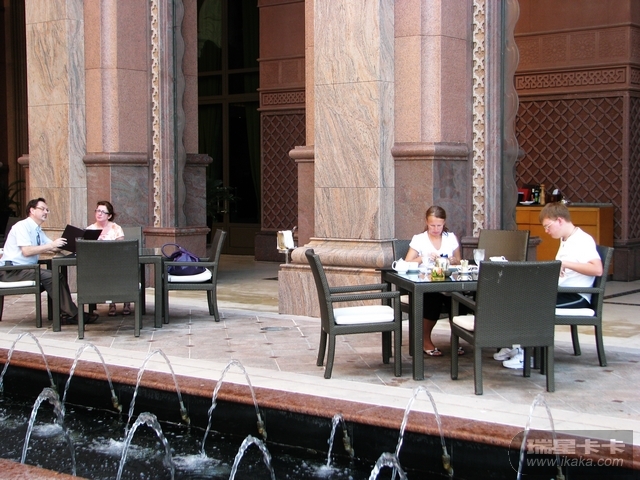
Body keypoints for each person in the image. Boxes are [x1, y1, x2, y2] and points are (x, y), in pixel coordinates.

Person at [499, 202, 604, 369]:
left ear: (560, 220)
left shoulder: (582, 240)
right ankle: (516, 345)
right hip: (560, 290)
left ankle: (525, 354)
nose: (547, 231)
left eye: (548, 226)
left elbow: (597, 269)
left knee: (530, 305)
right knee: (517, 297)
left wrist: (565, 264)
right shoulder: (566, 238)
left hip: (576, 296)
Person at [0, 197, 97, 325]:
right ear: (32, 210)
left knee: (57, 276)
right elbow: (27, 251)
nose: (46, 212)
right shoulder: (21, 226)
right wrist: (51, 245)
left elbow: (52, 246)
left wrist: (70, 242)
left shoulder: (37, 229)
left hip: (25, 270)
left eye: (47, 210)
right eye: (42, 209)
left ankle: (67, 314)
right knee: (52, 277)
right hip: (11, 271)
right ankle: (74, 314)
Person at [404, 205, 462, 357]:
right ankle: (425, 340)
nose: (436, 229)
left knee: (458, 298)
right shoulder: (419, 239)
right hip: (426, 283)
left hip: (448, 281)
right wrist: (423, 258)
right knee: (433, 299)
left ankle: (455, 339)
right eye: (432, 225)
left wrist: (451, 260)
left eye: (439, 225)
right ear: (426, 222)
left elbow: (458, 260)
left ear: (444, 223)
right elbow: (407, 262)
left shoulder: (450, 238)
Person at [86, 200, 131, 316]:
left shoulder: (116, 228)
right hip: (98, 263)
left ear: (109, 215)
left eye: (102, 212)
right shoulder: (90, 229)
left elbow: (121, 248)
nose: (99, 214)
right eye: (97, 211)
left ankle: (127, 300)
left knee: (122, 269)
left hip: (115, 261)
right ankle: (112, 302)